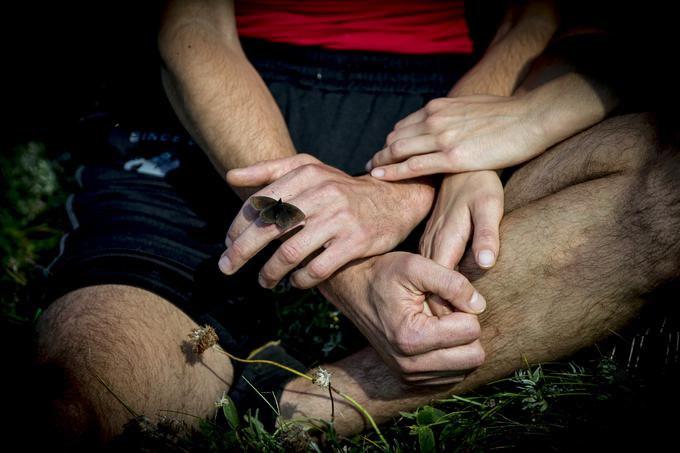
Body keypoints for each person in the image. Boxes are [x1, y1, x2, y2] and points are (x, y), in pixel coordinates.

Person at [34, 0, 679, 447]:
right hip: (224, 113)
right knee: (78, 407)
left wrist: (436, 164)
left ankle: (319, 401)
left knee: (667, 191)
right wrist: (346, 265)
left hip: (437, 101)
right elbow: (189, 27)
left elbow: (532, 17)